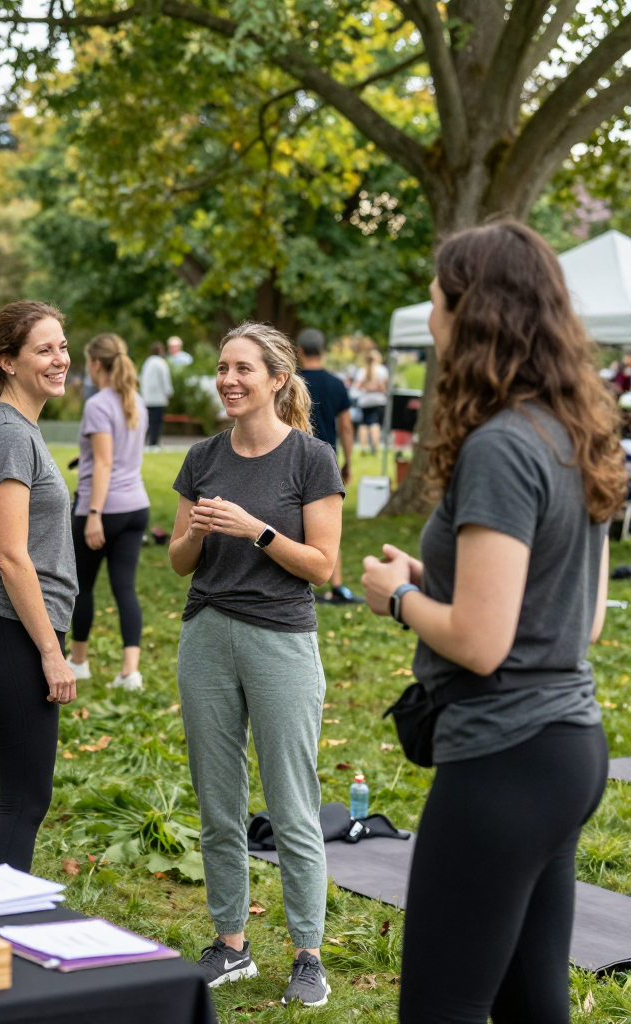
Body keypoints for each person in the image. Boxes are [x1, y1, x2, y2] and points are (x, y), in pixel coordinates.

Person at [360, 221, 623, 1024]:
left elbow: (481, 640)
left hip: (504, 761)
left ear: (473, 313)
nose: (432, 318)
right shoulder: (572, 431)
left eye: (439, 300)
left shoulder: (503, 446)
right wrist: (435, 576)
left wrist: (397, 597)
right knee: (531, 1003)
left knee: (440, 1009)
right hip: (567, 750)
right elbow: (581, 624)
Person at [168, 321, 344, 1006]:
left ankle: (307, 952)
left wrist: (258, 530)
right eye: (221, 368)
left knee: (293, 804)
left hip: (280, 638)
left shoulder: (310, 459)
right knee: (218, 801)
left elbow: (324, 568)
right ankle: (231, 943)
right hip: (207, 633)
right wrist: (197, 534)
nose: (228, 380)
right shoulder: (204, 457)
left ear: (277, 378)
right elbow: (180, 560)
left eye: (243, 368)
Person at [0, 300, 78, 872]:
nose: (60, 359)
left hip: (14, 630)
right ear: (7, 361)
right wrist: (52, 653)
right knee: (25, 800)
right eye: (44, 349)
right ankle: (3, 938)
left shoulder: (16, 427)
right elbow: (11, 555)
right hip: (13, 632)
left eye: (62, 346)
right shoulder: (7, 434)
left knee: (4, 794)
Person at [67, 333, 150, 691]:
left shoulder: (98, 404)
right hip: (136, 507)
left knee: (81, 588)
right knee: (125, 589)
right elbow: (119, 456)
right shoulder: (137, 401)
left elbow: (104, 462)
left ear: (95, 364)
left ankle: (80, 661)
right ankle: (130, 672)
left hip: (102, 509)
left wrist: (95, 514)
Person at [296, 328, 361, 605]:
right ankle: (337, 585)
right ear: (322, 351)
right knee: (328, 525)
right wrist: (347, 461)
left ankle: (298, 583)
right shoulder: (336, 384)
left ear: (299, 351)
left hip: (295, 457)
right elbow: (346, 425)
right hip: (327, 460)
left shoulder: (292, 382)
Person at [140, 341, 173, 451]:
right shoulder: (161, 363)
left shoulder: (147, 363)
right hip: (159, 399)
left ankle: (147, 443)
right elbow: (165, 380)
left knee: (148, 422)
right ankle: (154, 443)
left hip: (147, 398)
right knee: (157, 422)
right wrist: (169, 392)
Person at [355, 348, 388, 453]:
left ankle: (363, 446)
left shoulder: (362, 371)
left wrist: (366, 388)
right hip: (378, 399)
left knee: (364, 423)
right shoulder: (381, 370)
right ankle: (375, 445)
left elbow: (358, 385)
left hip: (365, 400)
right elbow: (383, 387)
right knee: (375, 423)